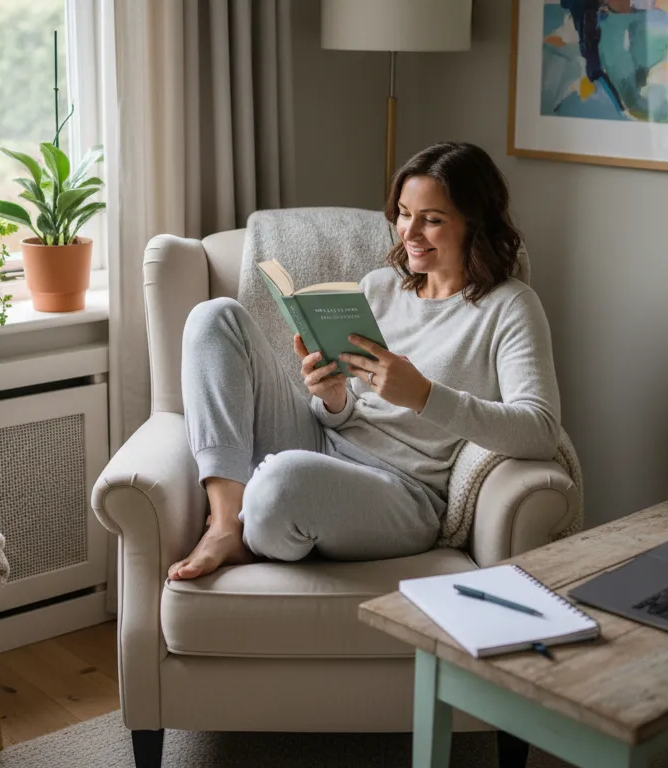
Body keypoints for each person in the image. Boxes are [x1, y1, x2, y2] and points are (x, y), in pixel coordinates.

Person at [168, 141, 561, 581]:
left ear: (476, 224)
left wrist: (425, 396)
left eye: (431, 220)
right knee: (215, 316)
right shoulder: (380, 287)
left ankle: (269, 513)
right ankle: (225, 524)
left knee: (281, 481)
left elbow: (541, 432)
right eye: (404, 213)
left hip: (404, 492)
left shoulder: (510, 307)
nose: (409, 233)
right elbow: (347, 413)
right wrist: (332, 399)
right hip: (324, 446)